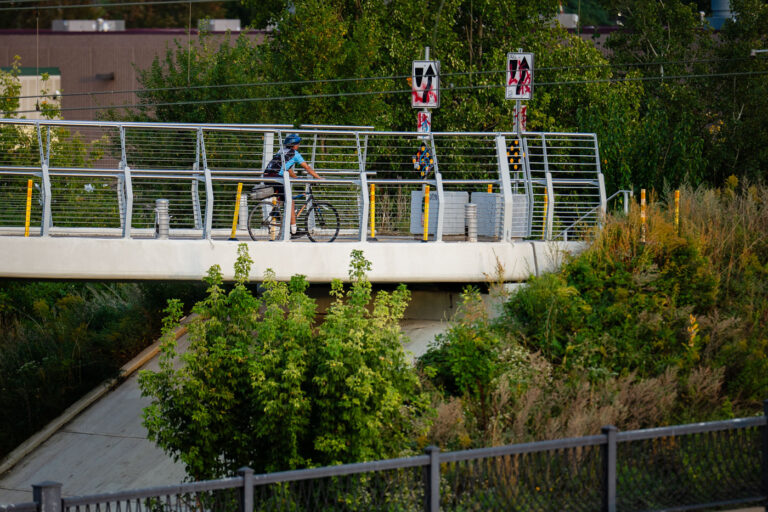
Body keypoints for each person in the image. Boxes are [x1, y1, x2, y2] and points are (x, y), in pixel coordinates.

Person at [262, 133, 323, 236]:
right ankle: (294, 230)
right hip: (277, 178)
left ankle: (276, 212)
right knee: (291, 201)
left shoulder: (281, 151)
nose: (298, 146)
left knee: (285, 198)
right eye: (298, 144)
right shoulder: (295, 154)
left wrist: (295, 178)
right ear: (294, 145)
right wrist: (319, 178)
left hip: (268, 176)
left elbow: (287, 167)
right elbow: (307, 168)